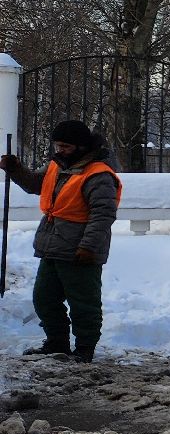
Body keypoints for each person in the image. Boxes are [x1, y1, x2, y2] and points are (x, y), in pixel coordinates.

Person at [0, 119, 121, 363]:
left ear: (81, 147)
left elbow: (103, 215)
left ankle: (85, 349)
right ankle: (57, 343)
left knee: (83, 303)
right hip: (52, 244)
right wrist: (15, 170)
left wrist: (88, 246)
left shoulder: (98, 174)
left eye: (65, 146)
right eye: (58, 145)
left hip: (80, 248)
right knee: (44, 298)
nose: (59, 150)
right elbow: (36, 185)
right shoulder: (58, 165)